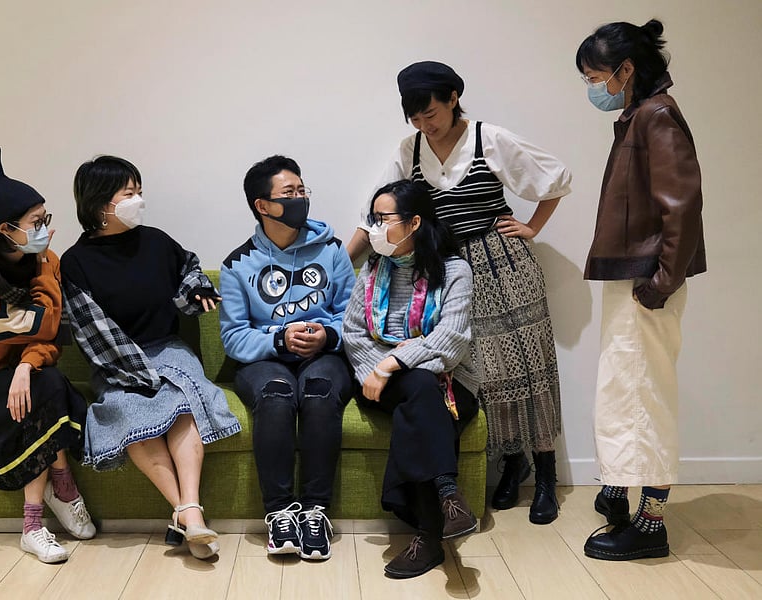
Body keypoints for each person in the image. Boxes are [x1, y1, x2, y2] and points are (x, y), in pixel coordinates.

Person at [347, 61, 572, 524]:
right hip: (443, 268)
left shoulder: (489, 138)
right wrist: (336, 267)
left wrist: (532, 227)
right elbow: (374, 214)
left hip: (501, 264)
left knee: (527, 368)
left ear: (453, 98)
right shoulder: (408, 149)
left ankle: (544, 473)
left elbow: (555, 179)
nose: (425, 124)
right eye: (415, 117)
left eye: (431, 112)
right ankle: (512, 465)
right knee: (478, 376)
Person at [60, 155, 240, 561]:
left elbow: (189, 271)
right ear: (101, 204)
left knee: (182, 403)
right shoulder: (75, 263)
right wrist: (141, 373)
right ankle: (186, 512)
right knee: (129, 412)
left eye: (139, 191)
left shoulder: (157, 241)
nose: (139, 200)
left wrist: (196, 290)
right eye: (129, 194)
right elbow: (94, 332)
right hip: (117, 361)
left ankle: (188, 510)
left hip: (168, 347)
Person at [576, 19, 705, 561]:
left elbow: (683, 206)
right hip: (635, 275)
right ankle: (621, 489)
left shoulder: (657, 116)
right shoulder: (639, 115)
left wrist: (662, 282)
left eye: (596, 76)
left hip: (647, 279)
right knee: (624, 389)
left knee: (641, 396)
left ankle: (652, 525)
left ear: (626, 70)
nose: (592, 89)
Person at [0, 147, 95, 564]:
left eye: (45, 219)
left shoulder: (41, 260)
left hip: (27, 376)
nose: (45, 230)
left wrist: (26, 366)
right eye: (36, 223)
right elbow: (39, 326)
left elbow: (52, 337)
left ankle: (57, 494)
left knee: (46, 383)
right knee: (46, 389)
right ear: (6, 229)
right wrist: (45, 266)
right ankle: (39, 517)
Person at [219, 155, 355, 561]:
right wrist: (279, 340)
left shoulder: (332, 249)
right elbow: (234, 336)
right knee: (277, 395)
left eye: (302, 191)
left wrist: (327, 334)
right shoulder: (237, 265)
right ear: (263, 206)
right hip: (265, 359)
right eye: (289, 193)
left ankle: (315, 512)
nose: (300, 199)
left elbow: (353, 317)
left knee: (318, 390)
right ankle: (279, 512)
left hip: (325, 354)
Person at [343, 179, 480, 579]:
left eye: (383, 219)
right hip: (377, 381)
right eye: (373, 219)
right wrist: (382, 369)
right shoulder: (372, 267)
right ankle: (447, 494)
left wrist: (394, 364)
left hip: (449, 379)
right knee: (419, 388)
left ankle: (429, 536)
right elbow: (353, 334)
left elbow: (450, 340)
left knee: (420, 392)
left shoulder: (455, 271)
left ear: (414, 222)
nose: (374, 228)